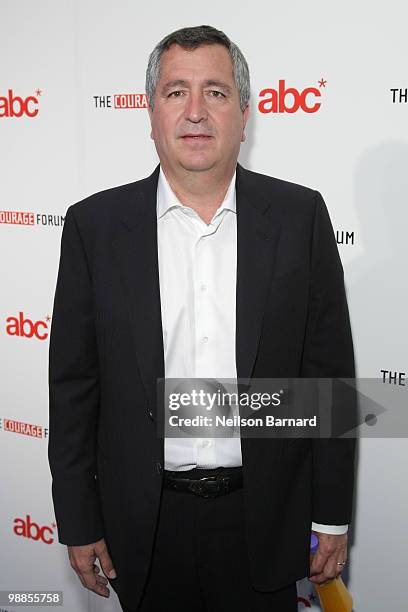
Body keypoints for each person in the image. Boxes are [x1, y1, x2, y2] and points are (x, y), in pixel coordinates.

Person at [48, 25, 356, 612]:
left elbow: (329, 380)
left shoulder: (300, 216)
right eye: (175, 92)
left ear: (244, 113)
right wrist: (78, 518)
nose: (195, 112)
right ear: (151, 112)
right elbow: (73, 389)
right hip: (142, 529)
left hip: (266, 527)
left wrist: (332, 516)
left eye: (214, 92)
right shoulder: (93, 227)